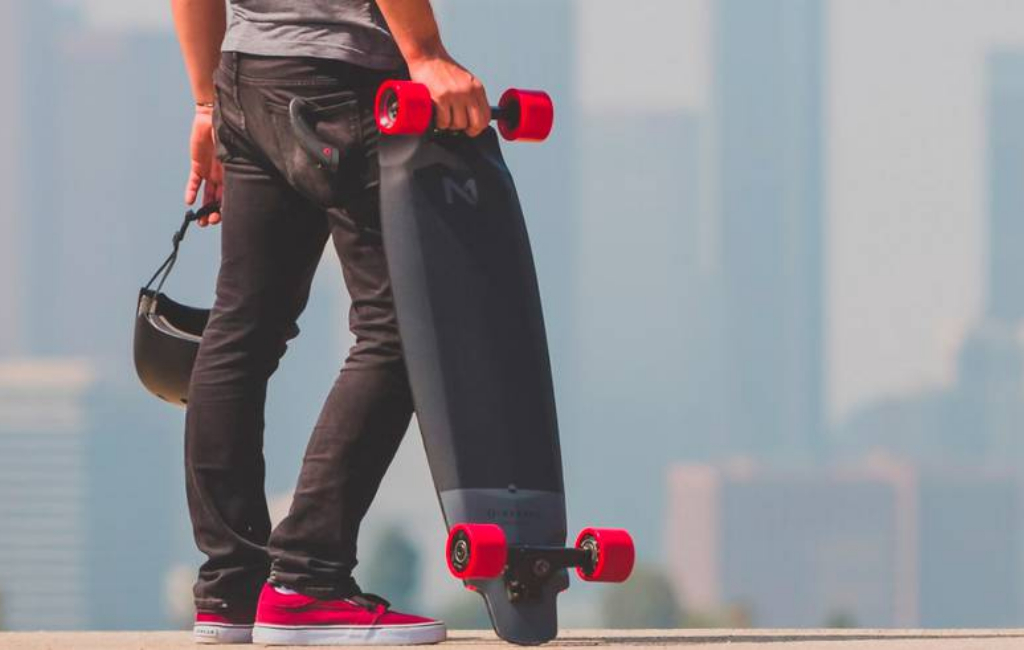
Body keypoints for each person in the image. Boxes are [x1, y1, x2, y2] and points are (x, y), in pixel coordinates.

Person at [170, 0, 490, 645]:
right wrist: (425, 53)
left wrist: (207, 103)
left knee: (242, 329)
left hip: (246, 74)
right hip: (342, 80)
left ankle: (231, 592)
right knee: (403, 329)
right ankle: (305, 583)